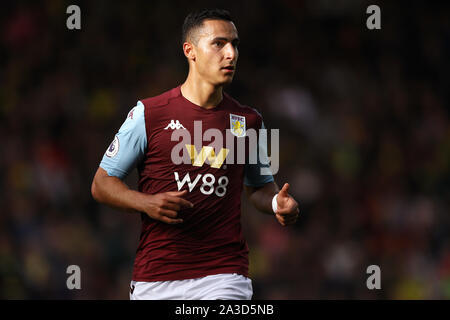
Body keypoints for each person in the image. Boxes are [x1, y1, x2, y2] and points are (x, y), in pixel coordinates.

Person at [91, 8, 299, 300]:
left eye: (235, 44)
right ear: (190, 50)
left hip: (224, 275)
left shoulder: (250, 121)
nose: (231, 54)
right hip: (156, 278)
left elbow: (261, 188)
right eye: (219, 43)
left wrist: (278, 201)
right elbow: (101, 183)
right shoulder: (148, 113)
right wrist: (146, 203)